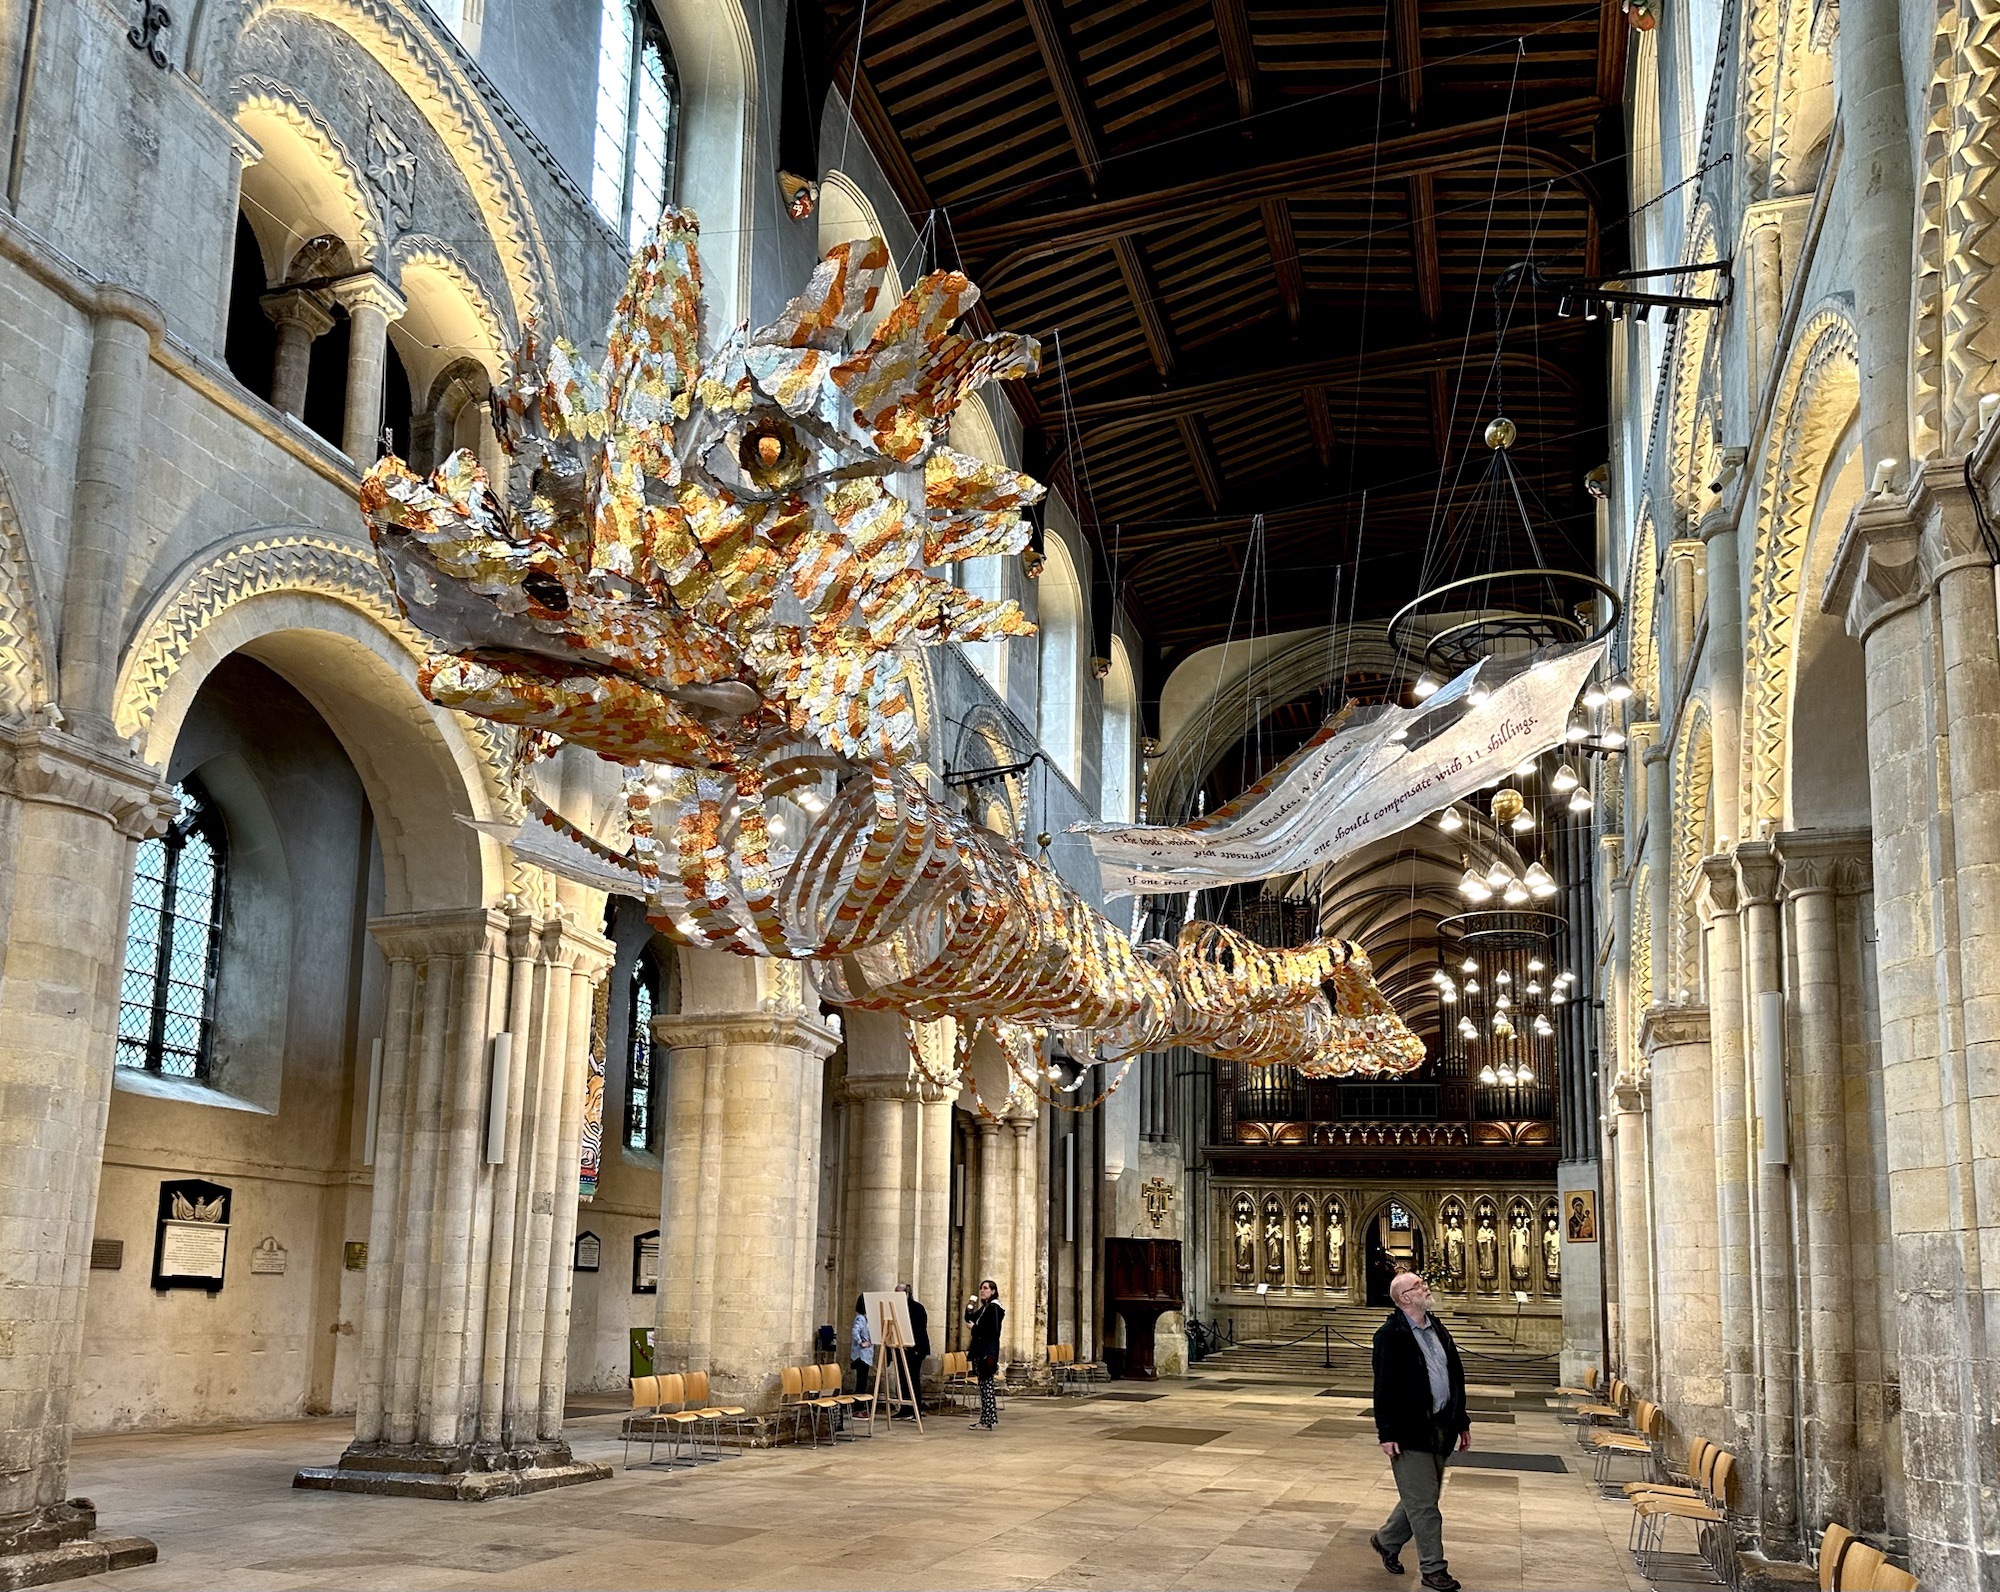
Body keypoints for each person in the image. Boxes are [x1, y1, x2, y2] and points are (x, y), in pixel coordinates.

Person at [1368, 1270, 1470, 1592]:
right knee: (1425, 1505)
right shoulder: (1390, 1335)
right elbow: (1383, 1388)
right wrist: (1386, 1433)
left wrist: (1462, 1420)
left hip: (1441, 1426)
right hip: (1409, 1430)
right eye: (1418, 1286)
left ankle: (1387, 1540)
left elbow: (1454, 1376)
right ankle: (1433, 1569)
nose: (1425, 1288)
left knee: (1422, 1496)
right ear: (1404, 1298)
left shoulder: (1437, 1328)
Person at [964, 1278, 1004, 1431]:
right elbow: (970, 1319)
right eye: (981, 1288)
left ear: (993, 1291)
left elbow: (992, 1331)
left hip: (987, 1352)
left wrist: (974, 1329)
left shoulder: (994, 1308)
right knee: (984, 1387)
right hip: (981, 1351)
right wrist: (969, 1307)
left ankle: (987, 1421)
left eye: (986, 1288)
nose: (982, 1290)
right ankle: (985, 1419)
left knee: (987, 1387)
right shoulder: (985, 1308)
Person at [895, 1282, 931, 1416]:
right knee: (902, 1379)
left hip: (916, 1350)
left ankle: (916, 1408)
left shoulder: (917, 1308)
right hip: (900, 1348)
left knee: (913, 1379)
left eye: (898, 1293)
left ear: (907, 1294)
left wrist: (912, 1345)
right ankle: (905, 1408)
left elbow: (919, 1330)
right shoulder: (895, 1308)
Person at [850, 1294, 874, 1396]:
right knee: (861, 1382)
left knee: (863, 1381)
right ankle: (858, 1403)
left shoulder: (865, 1318)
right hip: (861, 1355)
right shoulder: (860, 1318)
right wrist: (861, 1342)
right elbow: (855, 1331)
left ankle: (860, 1402)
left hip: (866, 1354)